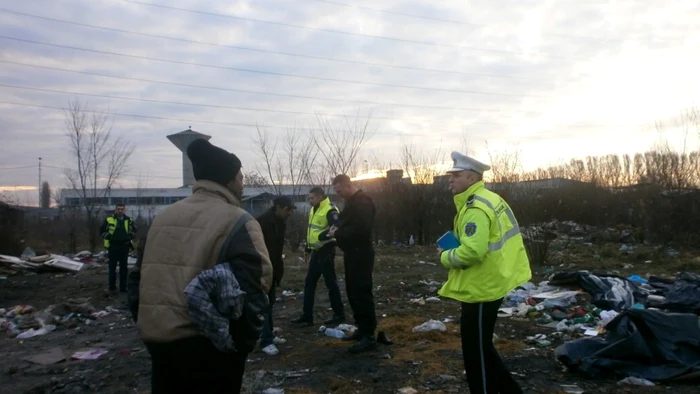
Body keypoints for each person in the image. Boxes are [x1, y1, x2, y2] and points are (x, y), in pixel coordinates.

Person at [136, 139, 272, 394]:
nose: (243, 185)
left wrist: (149, 322)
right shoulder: (239, 221)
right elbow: (256, 285)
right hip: (210, 349)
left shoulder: (161, 219)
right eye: (241, 178)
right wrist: (242, 344)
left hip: (159, 341)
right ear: (229, 181)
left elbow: (137, 279)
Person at [438, 151, 531, 394]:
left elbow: (471, 253)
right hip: (492, 279)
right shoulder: (489, 198)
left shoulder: (475, 208)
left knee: (475, 353)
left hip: (481, 286)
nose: (450, 180)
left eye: (456, 175)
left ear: (471, 178)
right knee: (482, 346)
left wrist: (444, 256)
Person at [328, 175, 377, 354]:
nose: (339, 195)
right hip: (352, 253)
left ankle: (369, 335)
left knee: (362, 291)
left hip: (361, 253)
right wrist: (336, 228)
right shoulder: (351, 202)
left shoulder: (362, 202)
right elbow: (345, 222)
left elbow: (361, 229)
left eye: (340, 190)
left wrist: (338, 234)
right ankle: (361, 329)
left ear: (348, 185)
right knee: (353, 291)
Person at [292, 187, 346, 326]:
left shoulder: (329, 209)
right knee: (309, 283)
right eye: (309, 198)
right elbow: (311, 230)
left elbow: (337, 226)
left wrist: (324, 236)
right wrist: (307, 248)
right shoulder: (314, 209)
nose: (310, 201)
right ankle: (307, 316)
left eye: (312, 198)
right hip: (317, 251)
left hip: (326, 251)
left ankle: (339, 314)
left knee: (330, 283)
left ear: (320, 197)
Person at [256, 196, 296, 356]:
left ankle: (269, 335)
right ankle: (265, 341)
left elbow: (277, 250)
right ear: (278, 207)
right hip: (262, 270)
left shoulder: (280, 222)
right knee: (264, 305)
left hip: (273, 268)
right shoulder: (261, 223)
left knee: (270, 303)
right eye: (288, 209)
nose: (290, 213)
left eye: (292, 210)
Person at [99, 203, 135, 294]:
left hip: (124, 246)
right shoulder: (109, 219)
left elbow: (134, 230)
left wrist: (131, 235)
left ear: (124, 210)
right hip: (113, 246)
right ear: (115, 210)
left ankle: (123, 287)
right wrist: (108, 237)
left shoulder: (129, 220)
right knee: (112, 268)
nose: (120, 211)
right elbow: (101, 231)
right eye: (118, 209)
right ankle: (112, 288)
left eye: (122, 209)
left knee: (124, 268)